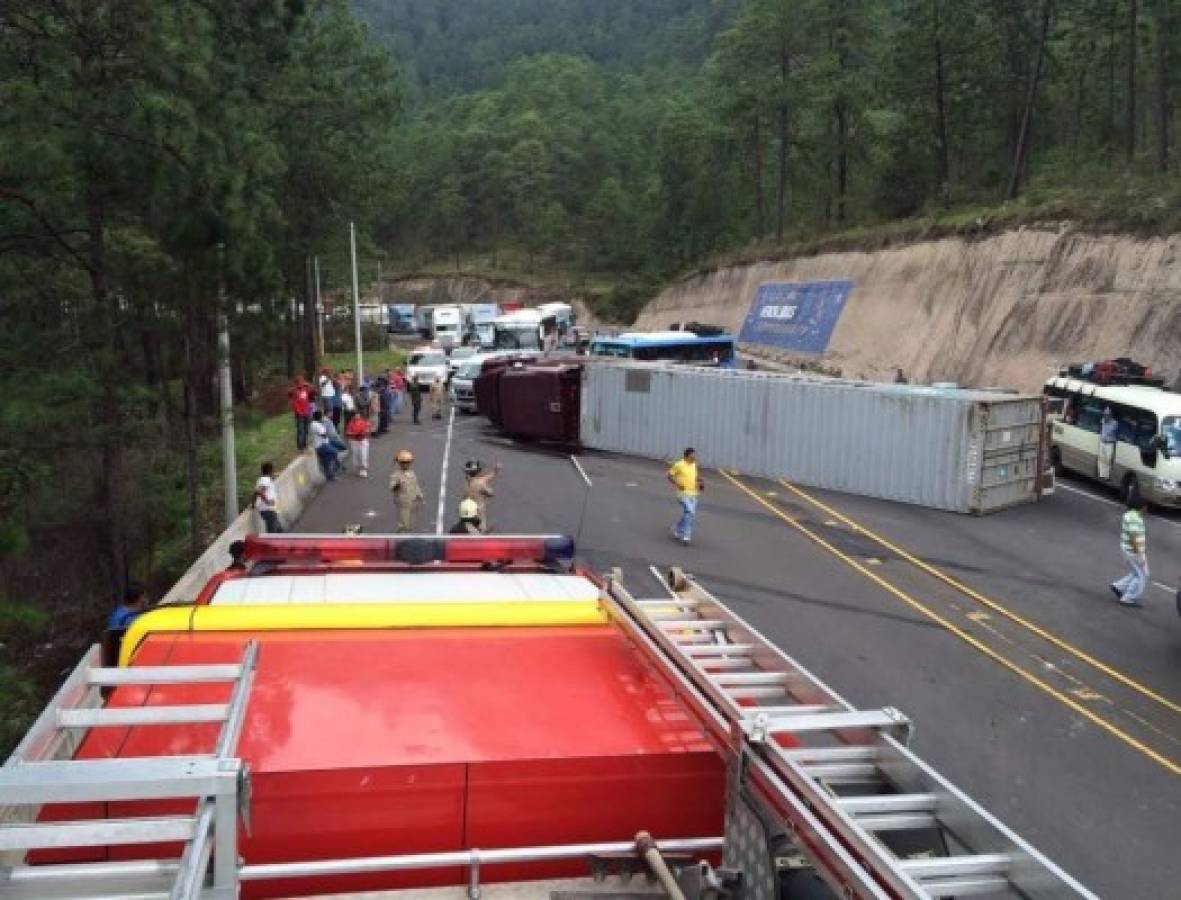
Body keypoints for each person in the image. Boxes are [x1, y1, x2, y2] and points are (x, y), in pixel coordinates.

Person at [1112, 495, 1149, 607]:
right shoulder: (1135, 519)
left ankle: (1118, 587)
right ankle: (1128, 598)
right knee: (1142, 575)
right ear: (1142, 507)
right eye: (1146, 507)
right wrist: (1139, 555)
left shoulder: (1129, 515)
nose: (1147, 510)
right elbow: (1133, 537)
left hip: (1128, 549)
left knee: (1136, 573)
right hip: (1133, 551)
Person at [667, 447, 704, 545]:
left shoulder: (694, 465)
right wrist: (678, 484)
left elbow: (696, 477)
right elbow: (669, 475)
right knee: (690, 512)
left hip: (694, 494)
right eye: (693, 455)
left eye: (695, 455)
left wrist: (700, 483)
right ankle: (686, 536)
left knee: (690, 515)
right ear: (687, 456)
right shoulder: (679, 465)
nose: (695, 457)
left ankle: (677, 528)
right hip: (682, 494)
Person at [389, 449, 425, 532]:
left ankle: (408, 534)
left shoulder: (412, 473)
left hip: (413, 501)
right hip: (403, 503)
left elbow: (416, 485)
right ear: (399, 463)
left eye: (408, 463)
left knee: (411, 522)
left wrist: (420, 496)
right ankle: (402, 537)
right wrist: (397, 484)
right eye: (403, 463)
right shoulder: (396, 475)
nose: (406, 465)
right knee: (404, 523)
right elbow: (392, 488)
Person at [463, 459, 501, 532]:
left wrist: (495, 471)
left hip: (466, 510)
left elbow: (486, 478)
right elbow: (491, 493)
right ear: (477, 472)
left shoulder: (468, 482)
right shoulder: (480, 484)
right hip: (478, 511)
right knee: (479, 530)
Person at [253, 461, 282, 532]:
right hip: (268, 510)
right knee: (272, 532)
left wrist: (253, 504)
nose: (273, 471)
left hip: (269, 510)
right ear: (269, 470)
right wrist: (267, 501)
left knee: (279, 529)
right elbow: (258, 491)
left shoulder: (262, 479)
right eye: (273, 469)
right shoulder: (265, 480)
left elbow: (255, 493)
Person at [311, 411, 339, 481]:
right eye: (321, 417)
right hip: (321, 445)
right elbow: (323, 435)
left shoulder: (313, 424)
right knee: (334, 452)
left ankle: (329, 476)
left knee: (326, 461)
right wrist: (326, 434)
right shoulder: (317, 425)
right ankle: (335, 466)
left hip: (319, 445)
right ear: (319, 417)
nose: (322, 418)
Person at [345, 408, 371, 477]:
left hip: (363, 441)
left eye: (358, 415)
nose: (357, 416)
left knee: (363, 455)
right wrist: (354, 434)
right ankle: (358, 469)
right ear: (353, 416)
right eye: (355, 415)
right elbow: (347, 432)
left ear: (360, 416)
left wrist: (363, 433)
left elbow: (368, 431)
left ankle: (364, 470)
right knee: (356, 456)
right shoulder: (351, 423)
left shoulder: (364, 422)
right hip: (354, 441)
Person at [289, 376, 313, 450]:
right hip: (299, 413)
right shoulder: (294, 391)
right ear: (296, 383)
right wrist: (297, 411)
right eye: (300, 382)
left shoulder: (305, 389)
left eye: (302, 381)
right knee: (300, 430)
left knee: (306, 430)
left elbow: (312, 390)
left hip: (306, 412)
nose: (301, 383)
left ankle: (305, 444)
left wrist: (307, 384)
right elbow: (293, 401)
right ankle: (300, 446)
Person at [1098, 407, 1119, 480]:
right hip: (1103, 441)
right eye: (1105, 414)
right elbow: (1101, 429)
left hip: (1110, 443)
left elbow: (1116, 433)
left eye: (1107, 414)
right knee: (1101, 458)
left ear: (1110, 415)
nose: (1105, 416)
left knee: (1108, 459)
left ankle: (1106, 476)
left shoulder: (1115, 423)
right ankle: (1101, 474)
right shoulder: (1103, 420)